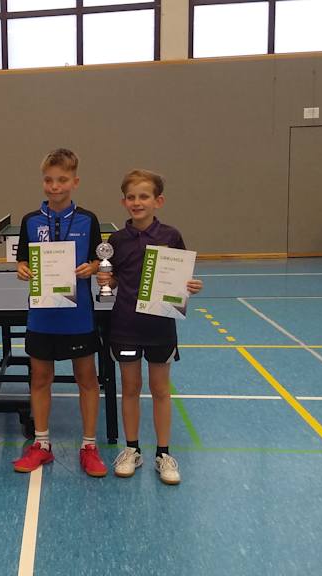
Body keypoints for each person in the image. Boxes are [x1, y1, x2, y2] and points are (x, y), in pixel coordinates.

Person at [97, 169, 203, 485]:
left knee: (160, 390)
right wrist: (107, 280)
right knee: (130, 388)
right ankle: (132, 449)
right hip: (125, 326)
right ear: (123, 202)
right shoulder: (116, 241)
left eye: (144, 196)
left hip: (160, 328)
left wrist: (190, 286)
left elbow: (180, 277)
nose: (137, 202)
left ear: (158, 201)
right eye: (131, 197)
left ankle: (163, 454)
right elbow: (115, 279)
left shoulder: (171, 236)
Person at [12, 148, 107, 477]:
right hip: (42, 316)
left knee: (87, 379)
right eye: (49, 180)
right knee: (40, 378)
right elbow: (22, 260)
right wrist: (21, 269)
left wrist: (92, 267)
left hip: (78, 316)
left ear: (75, 182)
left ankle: (89, 446)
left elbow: (99, 260)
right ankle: (41, 444)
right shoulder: (30, 221)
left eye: (62, 180)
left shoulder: (88, 220)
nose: (55, 186)